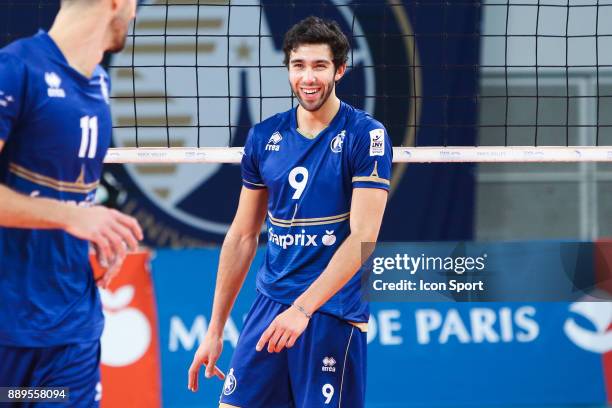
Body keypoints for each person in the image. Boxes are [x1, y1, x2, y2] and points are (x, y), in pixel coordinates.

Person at [188, 16, 392, 407]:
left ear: (340, 70)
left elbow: (364, 237)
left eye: (319, 66)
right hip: (271, 305)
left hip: (330, 308)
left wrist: (303, 309)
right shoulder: (264, 137)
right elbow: (243, 235)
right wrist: (214, 330)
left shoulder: (366, 135)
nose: (308, 78)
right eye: (299, 66)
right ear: (288, 69)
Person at [0, 0, 141, 405]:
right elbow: (66, 212)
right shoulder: (15, 70)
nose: (133, 14)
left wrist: (98, 229)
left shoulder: (98, 83)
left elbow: (71, 196)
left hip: (70, 330)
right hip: (9, 329)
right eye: (132, 4)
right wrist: (71, 218)